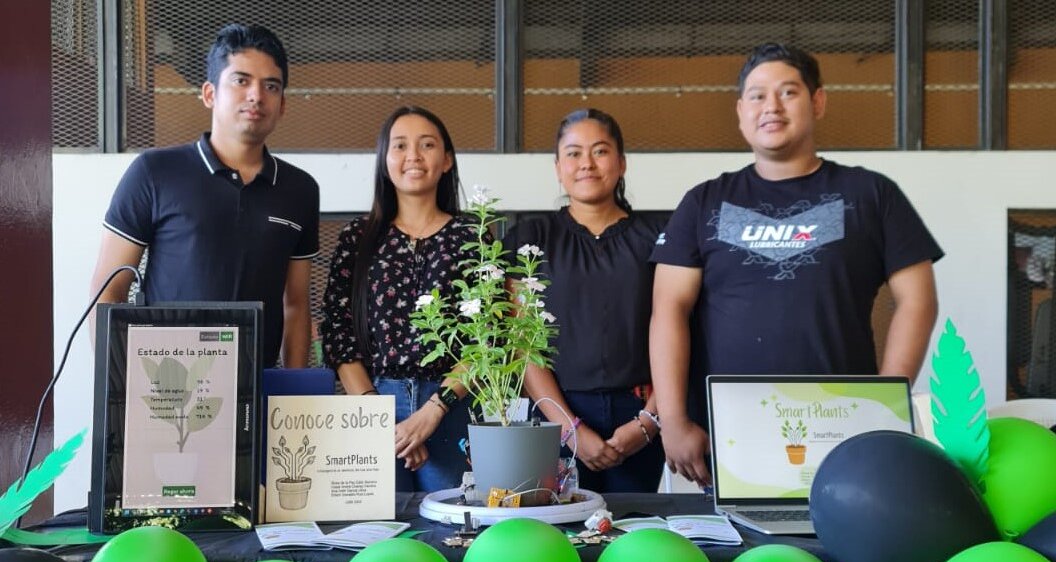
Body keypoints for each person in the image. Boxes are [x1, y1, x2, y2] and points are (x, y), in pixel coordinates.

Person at [649, 43, 943, 486]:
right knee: (734, 554)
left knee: (838, 548)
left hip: (843, 428)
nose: (771, 106)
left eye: (788, 92)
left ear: (818, 101)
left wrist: (885, 410)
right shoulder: (703, 202)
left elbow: (918, 301)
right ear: (740, 111)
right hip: (728, 435)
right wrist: (673, 420)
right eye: (757, 95)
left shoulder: (871, 194)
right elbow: (668, 309)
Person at [89, 24, 318, 369]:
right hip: (166, 390)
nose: (257, 95)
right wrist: (119, 390)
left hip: (258, 391)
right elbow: (108, 290)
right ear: (210, 93)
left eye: (271, 86)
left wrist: (295, 398)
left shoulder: (299, 189)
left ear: (282, 104)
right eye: (241, 81)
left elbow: (296, 304)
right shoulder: (154, 172)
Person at [504, 109, 665, 493]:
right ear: (558, 167)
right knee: (560, 534)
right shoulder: (531, 237)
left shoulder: (659, 236)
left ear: (622, 163)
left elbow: (676, 329)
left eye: (600, 151)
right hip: (553, 414)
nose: (587, 164)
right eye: (574, 153)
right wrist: (568, 428)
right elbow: (524, 344)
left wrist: (649, 422)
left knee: (631, 533)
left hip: (639, 414)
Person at [321, 106, 477, 492]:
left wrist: (430, 414)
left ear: (447, 160)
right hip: (372, 403)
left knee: (453, 532)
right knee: (379, 533)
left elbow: (485, 339)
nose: (414, 156)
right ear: (384, 160)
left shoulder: (471, 237)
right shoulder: (357, 238)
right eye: (400, 146)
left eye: (427, 145)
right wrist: (382, 422)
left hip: (450, 407)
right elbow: (339, 335)